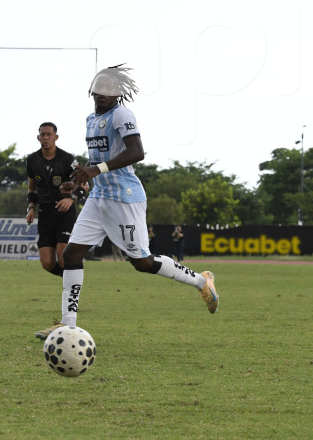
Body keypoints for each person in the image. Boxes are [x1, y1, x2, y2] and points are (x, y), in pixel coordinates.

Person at [34, 66, 219, 341]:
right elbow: (99, 163)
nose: (104, 93)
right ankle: (67, 325)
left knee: (142, 262)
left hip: (125, 198)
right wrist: (81, 180)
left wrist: (96, 171)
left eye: (110, 89)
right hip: (99, 198)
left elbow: (137, 152)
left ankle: (203, 282)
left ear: (118, 93)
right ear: (93, 90)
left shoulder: (121, 114)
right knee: (71, 255)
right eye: (100, 88)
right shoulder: (89, 119)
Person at [25, 122, 87, 278]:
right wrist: (31, 207)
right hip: (45, 213)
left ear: (56, 137)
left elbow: (85, 185)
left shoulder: (68, 159)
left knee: (63, 255)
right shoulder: (32, 160)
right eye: (42, 134)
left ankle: (71, 285)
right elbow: (32, 189)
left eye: (49, 134)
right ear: (38, 137)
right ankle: (72, 277)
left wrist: (71, 199)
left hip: (64, 212)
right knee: (47, 263)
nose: (45, 138)